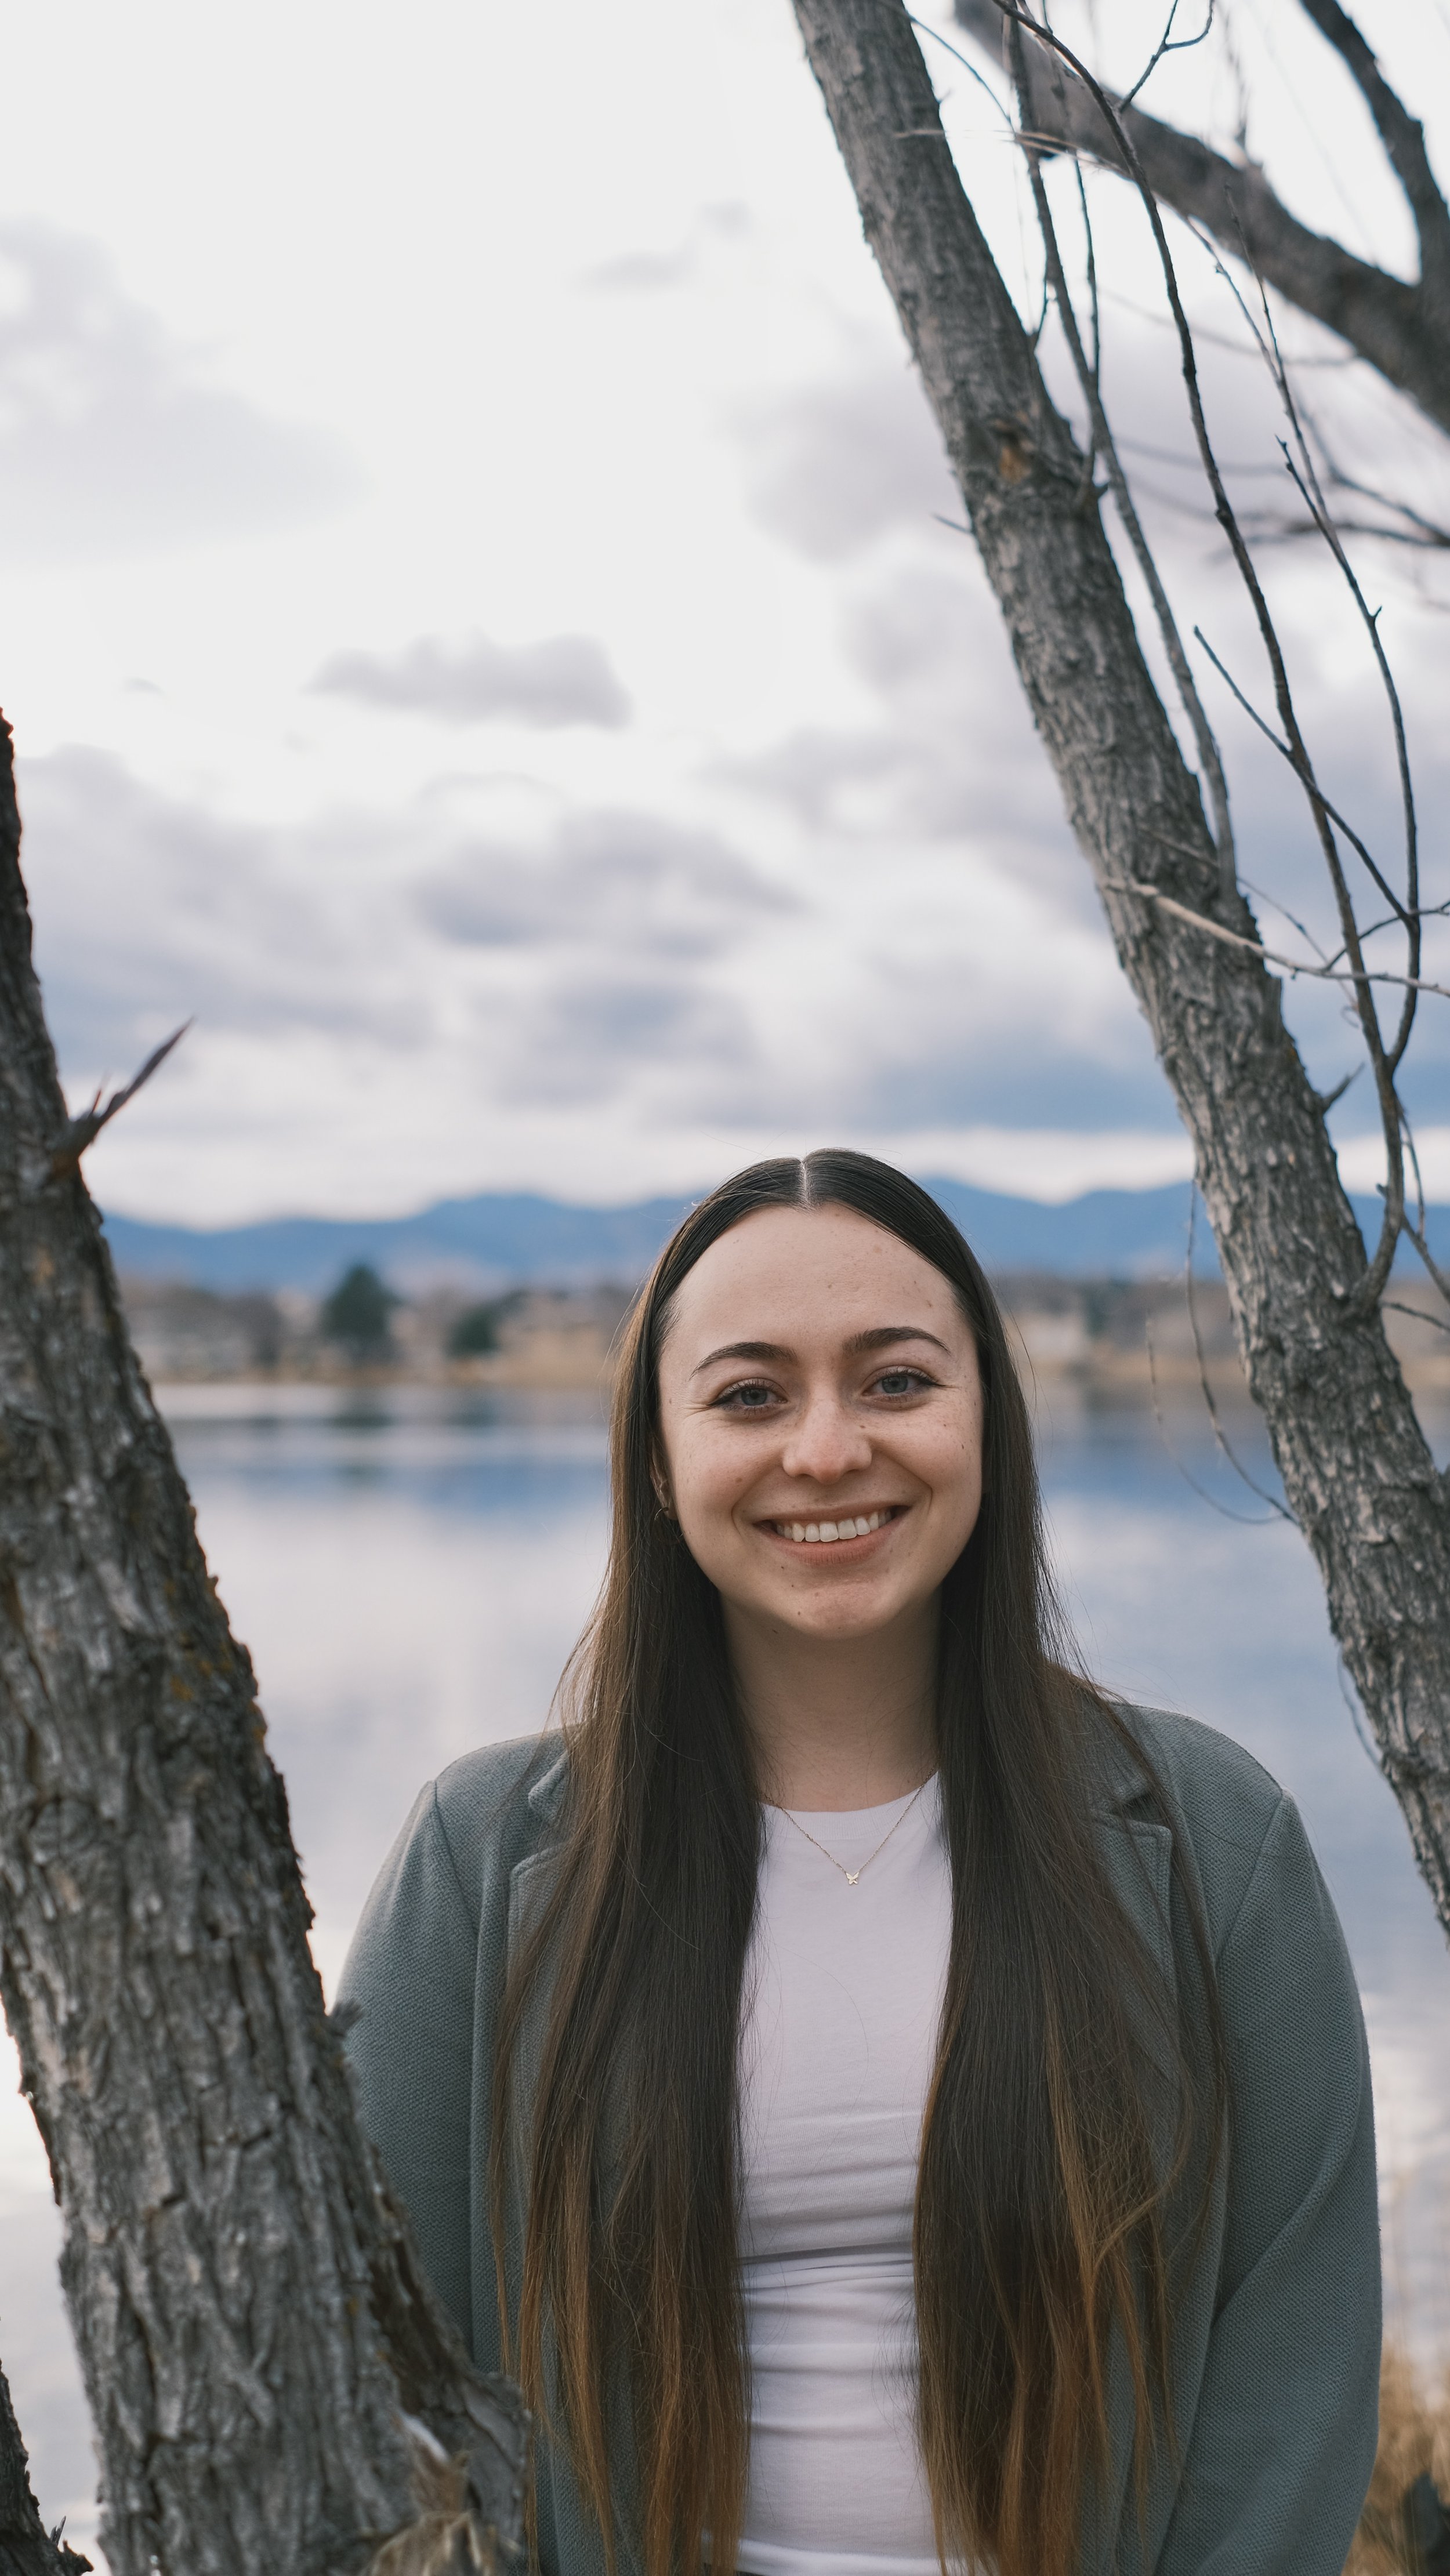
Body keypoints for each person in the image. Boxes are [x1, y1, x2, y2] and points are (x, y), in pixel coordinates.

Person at [339, 1150, 1380, 2576]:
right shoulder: (482, 1859)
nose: (825, 1449)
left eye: (894, 1379)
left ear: (986, 1423)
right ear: (656, 1455)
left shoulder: (1212, 1837)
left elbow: (1293, 2365)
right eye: (748, 1394)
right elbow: (388, 2375)